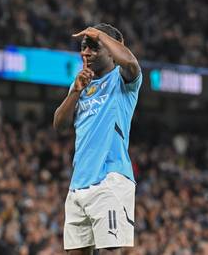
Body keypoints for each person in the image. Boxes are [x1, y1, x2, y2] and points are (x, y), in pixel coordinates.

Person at [53, 23, 142, 255]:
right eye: (84, 47)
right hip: (78, 184)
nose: (86, 53)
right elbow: (59, 125)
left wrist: (100, 35)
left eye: (94, 47)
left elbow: (131, 63)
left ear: (111, 51)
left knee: (109, 250)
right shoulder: (81, 83)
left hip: (109, 180)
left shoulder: (123, 80)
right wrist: (75, 91)